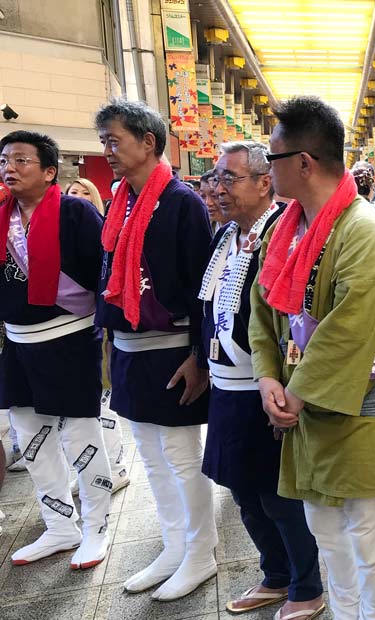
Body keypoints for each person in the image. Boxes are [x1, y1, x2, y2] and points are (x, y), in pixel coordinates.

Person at [249, 96, 375, 620]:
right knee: (326, 533)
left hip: (360, 406)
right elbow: (263, 309)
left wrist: (290, 392)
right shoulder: (284, 228)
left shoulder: (364, 230)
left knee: (365, 535)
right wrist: (267, 376)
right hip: (305, 405)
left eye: (271, 158)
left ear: (303, 162)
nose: (264, 169)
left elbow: (348, 332)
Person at [95, 99, 217, 601]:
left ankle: (201, 552)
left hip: (172, 349)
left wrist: (199, 356)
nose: (108, 151)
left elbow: (201, 287)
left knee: (180, 455)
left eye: (114, 140)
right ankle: (173, 545)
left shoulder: (182, 201)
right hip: (129, 345)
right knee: (149, 454)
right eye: (103, 141)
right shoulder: (119, 199)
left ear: (148, 142)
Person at [197, 141, 324, 618]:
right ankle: (275, 574)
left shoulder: (284, 232)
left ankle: (306, 584)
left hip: (267, 385)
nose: (218, 188)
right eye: (216, 177)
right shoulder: (226, 235)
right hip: (224, 381)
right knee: (242, 489)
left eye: (230, 178)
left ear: (263, 182)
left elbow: (296, 318)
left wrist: (292, 388)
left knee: (278, 495)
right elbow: (207, 306)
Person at [0, 130, 113, 568]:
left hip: (69, 338)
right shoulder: (2, 216)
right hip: (17, 343)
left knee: (81, 436)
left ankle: (97, 529)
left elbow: (102, 275)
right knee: (31, 440)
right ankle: (59, 526)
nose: (10, 167)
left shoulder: (75, 213)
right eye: (5, 160)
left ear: (50, 171)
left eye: (22, 160)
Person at [63, 176, 131, 496]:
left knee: (103, 404)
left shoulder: (104, 233)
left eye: (82, 193)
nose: (75, 198)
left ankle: (116, 467)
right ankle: (89, 469)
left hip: (99, 328)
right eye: (70, 193)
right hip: (66, 335)